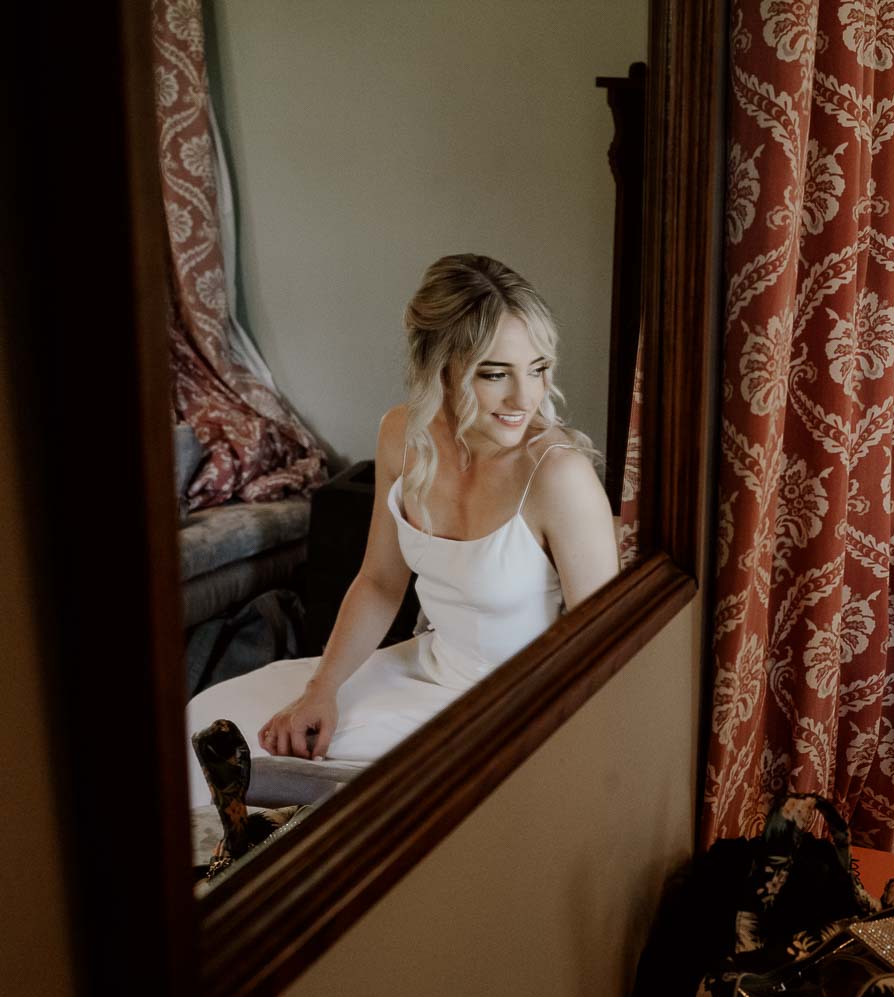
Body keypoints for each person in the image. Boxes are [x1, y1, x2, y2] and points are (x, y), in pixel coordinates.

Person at [186, 253, 619, 805]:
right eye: (495, 374)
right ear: (441, 366)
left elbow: (605, 652)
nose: (525, 398)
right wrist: (322, 690)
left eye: (538, 369)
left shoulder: (559, 474)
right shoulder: (402, 435)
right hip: (425, 668)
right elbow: (380, 582)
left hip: (517, 705)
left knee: (316, 796)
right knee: (212, 728)